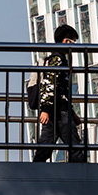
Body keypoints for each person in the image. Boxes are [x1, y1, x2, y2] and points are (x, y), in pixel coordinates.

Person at [33, 24, 88, 162]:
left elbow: (59, 89)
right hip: (60, 112)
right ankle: (81, 174)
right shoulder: (58, 59)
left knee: (44, 148)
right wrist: (45, 109)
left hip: (55, 111)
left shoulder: (56, 58)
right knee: (74, 147)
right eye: (72, 42)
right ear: (65, 41)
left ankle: (33, 171)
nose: (73, 46)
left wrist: (72, 112)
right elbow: (49, 83)